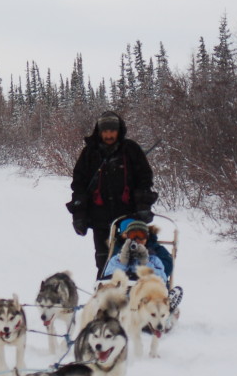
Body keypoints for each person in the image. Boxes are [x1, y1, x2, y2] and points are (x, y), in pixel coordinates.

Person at [67, 111, 158, 278]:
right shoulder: (89, 153)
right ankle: (104, 297)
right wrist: (79, 214)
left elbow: (144, 180)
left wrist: (143, 206)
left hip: (129, 219)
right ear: (99, 131)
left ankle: (133, 297)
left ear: (119, 131)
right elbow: (79, 185)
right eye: (105, 131)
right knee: (104, 263)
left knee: (132, 260)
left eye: (112, 131)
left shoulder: (131, 150)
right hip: (99, 219)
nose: (109, 135)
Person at [101, 219, 169, 283]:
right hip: (122, 292)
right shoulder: (116, 259)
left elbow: (162, 279)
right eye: (133, 235)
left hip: (145, 291)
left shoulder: (154, 260)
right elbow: (108, 278)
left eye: (141, 235)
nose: (137, 239)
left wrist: (145, 263)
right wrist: (123, 261)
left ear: (146, 238)